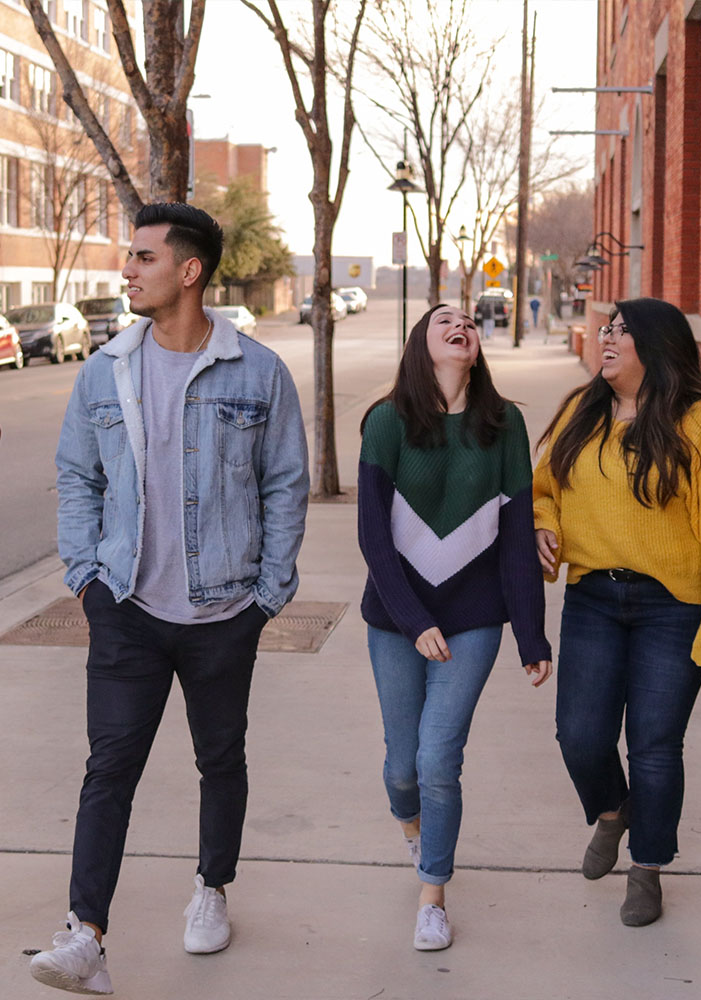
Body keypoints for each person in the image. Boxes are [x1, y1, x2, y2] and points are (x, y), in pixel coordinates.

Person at [31, 203, 309, 995]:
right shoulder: (103, 368)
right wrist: (86, 578)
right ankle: (86, 935)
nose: (128, 271)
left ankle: (211, 890)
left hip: (225, 612)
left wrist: (267, 595)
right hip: (125, 608)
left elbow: (286, 483)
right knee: (108, 767)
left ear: (189, 271)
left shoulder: (257, 372)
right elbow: (79, 477)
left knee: (220, 758)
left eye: (143, 258)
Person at [533, 297, 701, 927]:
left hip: (672, 606)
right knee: (579, 735)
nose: (606, 338)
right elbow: (543, 488)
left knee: (655, 745)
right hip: (593, 597)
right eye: (606, 328)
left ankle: (648, 868)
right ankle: (612, 811)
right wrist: (542, 525)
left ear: (656, 346)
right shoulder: (582, 411)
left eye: (622, 331)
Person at [358, 303, 551, 951]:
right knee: (401, 767)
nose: (460, 324)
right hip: (395, 618)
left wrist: (531, 635)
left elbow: (519, 537)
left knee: (439, 759)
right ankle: (415, 830)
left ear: (477, 345)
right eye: (444, 320)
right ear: (422, 343)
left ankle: (432, 892)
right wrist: (413, 622)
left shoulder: (506, 425)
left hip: (472, 620)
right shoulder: (386, 423)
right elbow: (373, 539)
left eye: (469, 320)